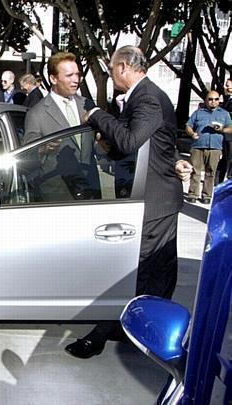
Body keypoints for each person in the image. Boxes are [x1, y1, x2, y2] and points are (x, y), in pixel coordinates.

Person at [64, 45, 185, 359]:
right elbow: (144, 147)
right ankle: (147, 331)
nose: (110, 73)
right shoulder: (143, 97)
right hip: (156, 196)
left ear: (123, 67)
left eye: (111, 68)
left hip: (153, 200)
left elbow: (131, 140)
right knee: (158, 271)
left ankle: (102, 336)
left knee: (136, 270)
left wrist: (95, 115)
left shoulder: (146, 98)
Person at [23, 52, 100, 200]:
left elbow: (95, 147)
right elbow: (27, 157)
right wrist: (44, 149)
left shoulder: (87, 105)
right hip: (57, 193)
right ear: (53, 78)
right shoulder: (37, 113)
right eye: (69, 75)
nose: (75, 80)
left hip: (90, 190)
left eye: (77, 74)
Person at [185, 91, 232, 203]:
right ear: (206, 100)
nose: (213, 102)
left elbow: (231, 128)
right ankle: (193, 194)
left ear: (219, 100)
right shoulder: (198, 113)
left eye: (216, 99)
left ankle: (206, 196)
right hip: (198, 145)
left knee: (211, 172)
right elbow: (188, 125)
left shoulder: (224, 114)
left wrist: (222, 130)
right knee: (195, 171)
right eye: (210, 99)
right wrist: (191, 133)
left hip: (215, 147)